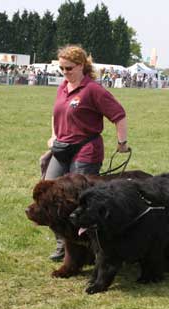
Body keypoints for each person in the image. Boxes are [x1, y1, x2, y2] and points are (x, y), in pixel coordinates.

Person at [43, 44, 129, 261]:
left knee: (78, 199)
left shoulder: (93, 90)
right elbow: (57, 115)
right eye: (61, 69)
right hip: (61, 148)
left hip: (86, 150)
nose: (65, 73)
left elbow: (119, 115)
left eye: (69, 68)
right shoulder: (62, 87)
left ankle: (88, 247)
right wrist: (54, 136)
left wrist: (122, 142)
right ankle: (63, 243)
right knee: (49, 196)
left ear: (81, 65)